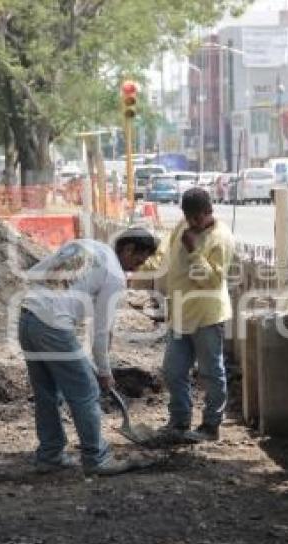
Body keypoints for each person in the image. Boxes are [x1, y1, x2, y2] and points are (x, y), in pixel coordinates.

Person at [18, 228, 158, 475]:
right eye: (138, 260)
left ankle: (50, 455)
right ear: (128, 249)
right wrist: (104, 371)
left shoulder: (85, 244)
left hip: (28, 317)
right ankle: (97, 459)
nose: (137, 267)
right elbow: (101, 331)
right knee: (86, 391)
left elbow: (35, 272)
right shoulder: (114, 275)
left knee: (47, 393)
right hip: (53, 325)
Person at [156, 188, 234, 442]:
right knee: (173, 371)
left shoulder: (220, 238)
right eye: (188, 218)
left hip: (206, 316)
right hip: (180, 313)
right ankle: (179, 420)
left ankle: (211, 425)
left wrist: (194, 251)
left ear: (209, 212)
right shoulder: (182, 226)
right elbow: (167, 257)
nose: (192, 224)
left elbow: (211, 281)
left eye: (197, 219)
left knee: (211, 372)